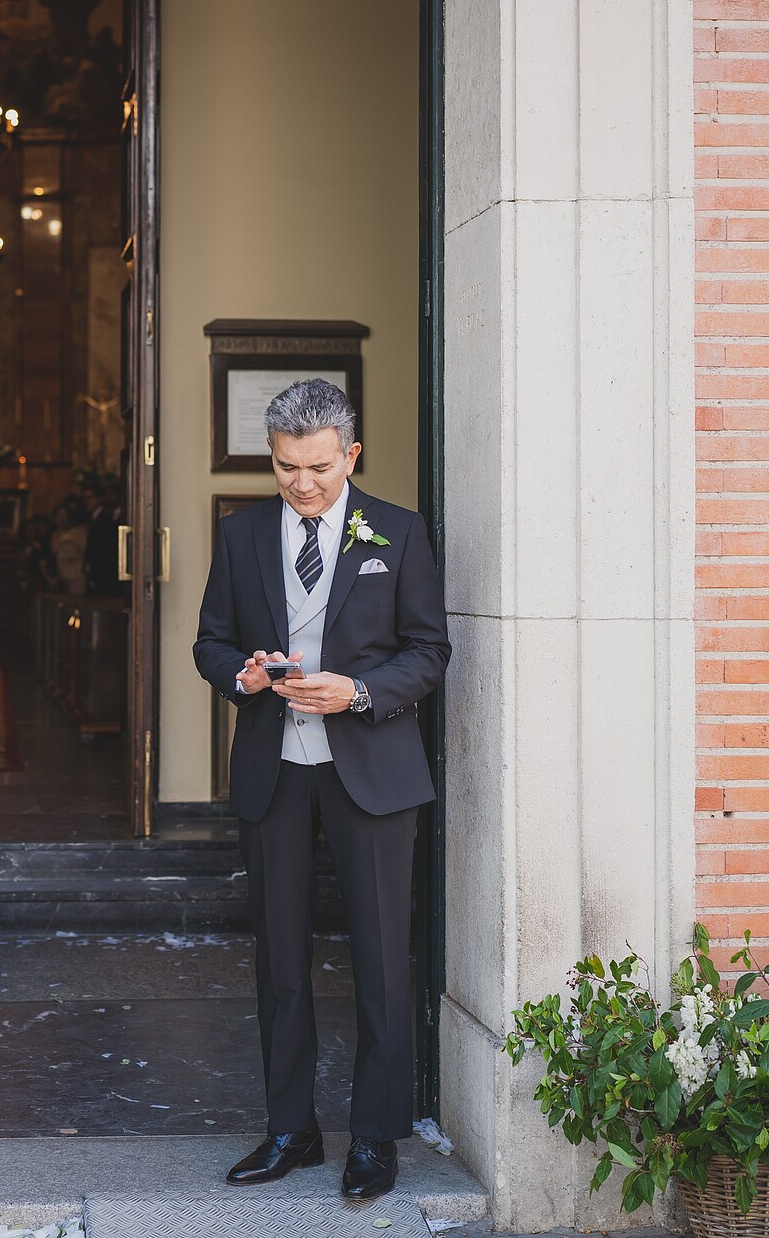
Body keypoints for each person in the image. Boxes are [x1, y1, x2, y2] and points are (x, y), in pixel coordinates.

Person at [192, 378, 450, 1202]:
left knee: (380, 959)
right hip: (276, 770)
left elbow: (428, 651)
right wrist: (241, 675)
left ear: (351, 454)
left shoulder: (400, 534)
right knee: (281, 961)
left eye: (318, 468)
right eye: (285, 468)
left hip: (372, 771)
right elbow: (210, 642)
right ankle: (290, 1130)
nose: (302, 485)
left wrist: (360, 693)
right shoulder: (239, 538)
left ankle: (374, 1137)